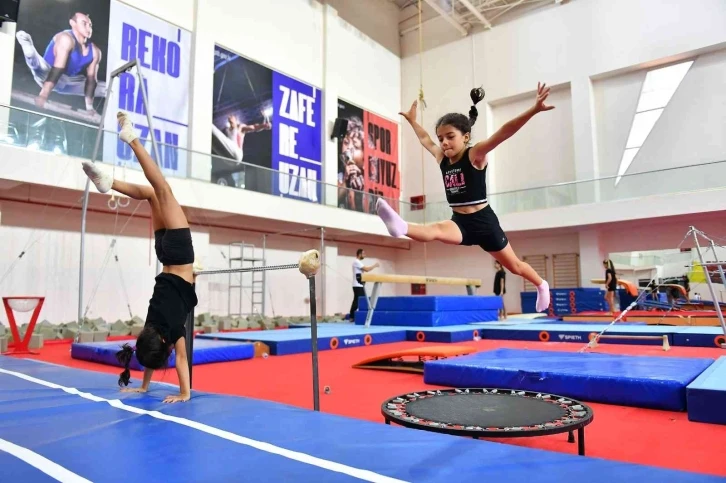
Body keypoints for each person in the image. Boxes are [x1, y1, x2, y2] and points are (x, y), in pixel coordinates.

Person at [376, 83, 553, 313]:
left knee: (515, 266)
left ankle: (541, 284)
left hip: (485, 222)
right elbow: (425, 139)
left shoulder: (474, 155)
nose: (444, 143)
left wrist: (534, 110)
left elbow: (504, 132)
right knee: (436, 230)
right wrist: (412, 121)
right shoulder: (442, 158)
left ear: (466, 136)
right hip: (460, 222)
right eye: (441, 138)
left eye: (450, 137)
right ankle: (401, 227)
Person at [81, 111, 198, 404]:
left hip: (180, 256)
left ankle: (132, 140)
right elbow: (148, 352)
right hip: (164, 253)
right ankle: (109, 182)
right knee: (151, 194)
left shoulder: (172, 332)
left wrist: (184, 393)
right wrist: (143, 387)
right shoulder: (150, 325)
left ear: (164, 344)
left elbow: (180, 359)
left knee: (162, 189)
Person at [15, 12, 105, 113]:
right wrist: (43, 96)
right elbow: (57, 70)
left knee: (105, 88)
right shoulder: (66, 38)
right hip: (48, 74)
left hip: (68, 81)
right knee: (38, 66)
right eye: (84, 23)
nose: (89, 28)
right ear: (72, 23)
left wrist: (89, 108)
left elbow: (91, 81)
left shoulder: (95, 51)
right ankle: (29, 48)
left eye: (90, 25)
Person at [350, 249, 379, 322]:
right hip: (357, 285)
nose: (365, 255)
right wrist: (375, 265)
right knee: (357, 301)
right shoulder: (356, 262)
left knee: (359, 301)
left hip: (360, 284)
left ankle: (355, 316)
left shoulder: (359, 262)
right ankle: (352, 316)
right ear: (359, 254)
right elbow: (367, 269)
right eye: (363, 254)